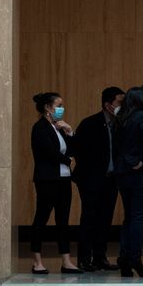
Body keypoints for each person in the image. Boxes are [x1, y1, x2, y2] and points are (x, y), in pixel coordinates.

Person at [29, 91, 83, 274]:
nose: (61, 109)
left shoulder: (58, 128)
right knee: (41, 219)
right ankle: (37, 261)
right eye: (58, 105)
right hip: (47, 180)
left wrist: (70, 131)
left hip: (64, 179)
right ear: (48, 108)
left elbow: (74, 149)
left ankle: (66, 261)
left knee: (63, 220)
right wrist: (67, 160)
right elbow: (50, 152)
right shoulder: (40, 128)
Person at [72, 86, 124, 272]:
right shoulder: (90, 124)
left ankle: (100, 256)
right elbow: (78, 151)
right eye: (119, 102)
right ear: (108, 105)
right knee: (89, 218)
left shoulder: (120, 125)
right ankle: (85, 258)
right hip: (91, 180)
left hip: (111, 180)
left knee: (105, 219)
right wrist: (89, 176)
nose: (122, 106)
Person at [115, 86, 143, 277]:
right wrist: (142, 159)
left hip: (123, 174)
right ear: (141, 101)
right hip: (141, 174)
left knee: (128, 217)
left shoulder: (121, 118)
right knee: (138, 218)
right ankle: (135, 260)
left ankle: (124, 260)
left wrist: (129, 160)